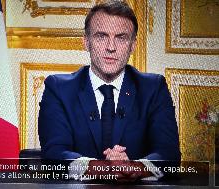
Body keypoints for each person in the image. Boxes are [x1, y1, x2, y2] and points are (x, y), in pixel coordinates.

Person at [38, 0, 180, 182]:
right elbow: (54, 154)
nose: (111, 47)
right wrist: (104, 169)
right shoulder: (58, 88)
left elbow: (169, 155)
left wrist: (134, 169)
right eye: (101, 36)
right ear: (86, 42)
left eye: (121, 38)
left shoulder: (153, 88)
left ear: (133, 45)